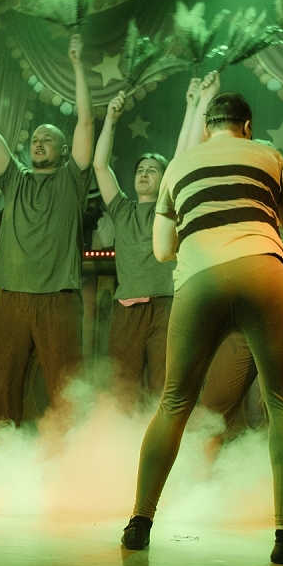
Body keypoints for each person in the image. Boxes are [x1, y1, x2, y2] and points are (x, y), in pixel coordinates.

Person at [120, 91, 283, 563]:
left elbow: (162, 250)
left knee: (174, 403)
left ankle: (139, 523)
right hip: (263, 271)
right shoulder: (271, 157)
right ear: (247, 126)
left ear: (207, 127)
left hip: (199, 280)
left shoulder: (178, 165)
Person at [194, 65, 283, 448]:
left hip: (282, 296)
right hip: (234, 299)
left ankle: (279, 480)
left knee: (281, 405)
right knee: (214, 405)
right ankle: (197, 477)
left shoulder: (276, 171)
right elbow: (192, 155)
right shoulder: (213, 178)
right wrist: (203, 102)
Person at [0, 33, 94, 433]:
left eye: (48, 140)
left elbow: (85, 122)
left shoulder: (72, 180)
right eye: (35, 139)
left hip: (58, 297)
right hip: (12, 294)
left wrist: (78, 66)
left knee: (66, 389)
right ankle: (0, 458)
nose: (39, 143)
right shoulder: (14, 178)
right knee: (3, 386)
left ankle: (73, 460)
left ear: (64, 151)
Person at [93, 87, 174, 399]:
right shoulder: (122, 209)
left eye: (152, 170)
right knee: (122, 389)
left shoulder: (169, 210)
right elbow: (100, 166)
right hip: (127, 308)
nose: (144, 174)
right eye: (140, 170)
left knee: (163, 387)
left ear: (164, 180)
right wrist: (110, 120)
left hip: (166, 306)